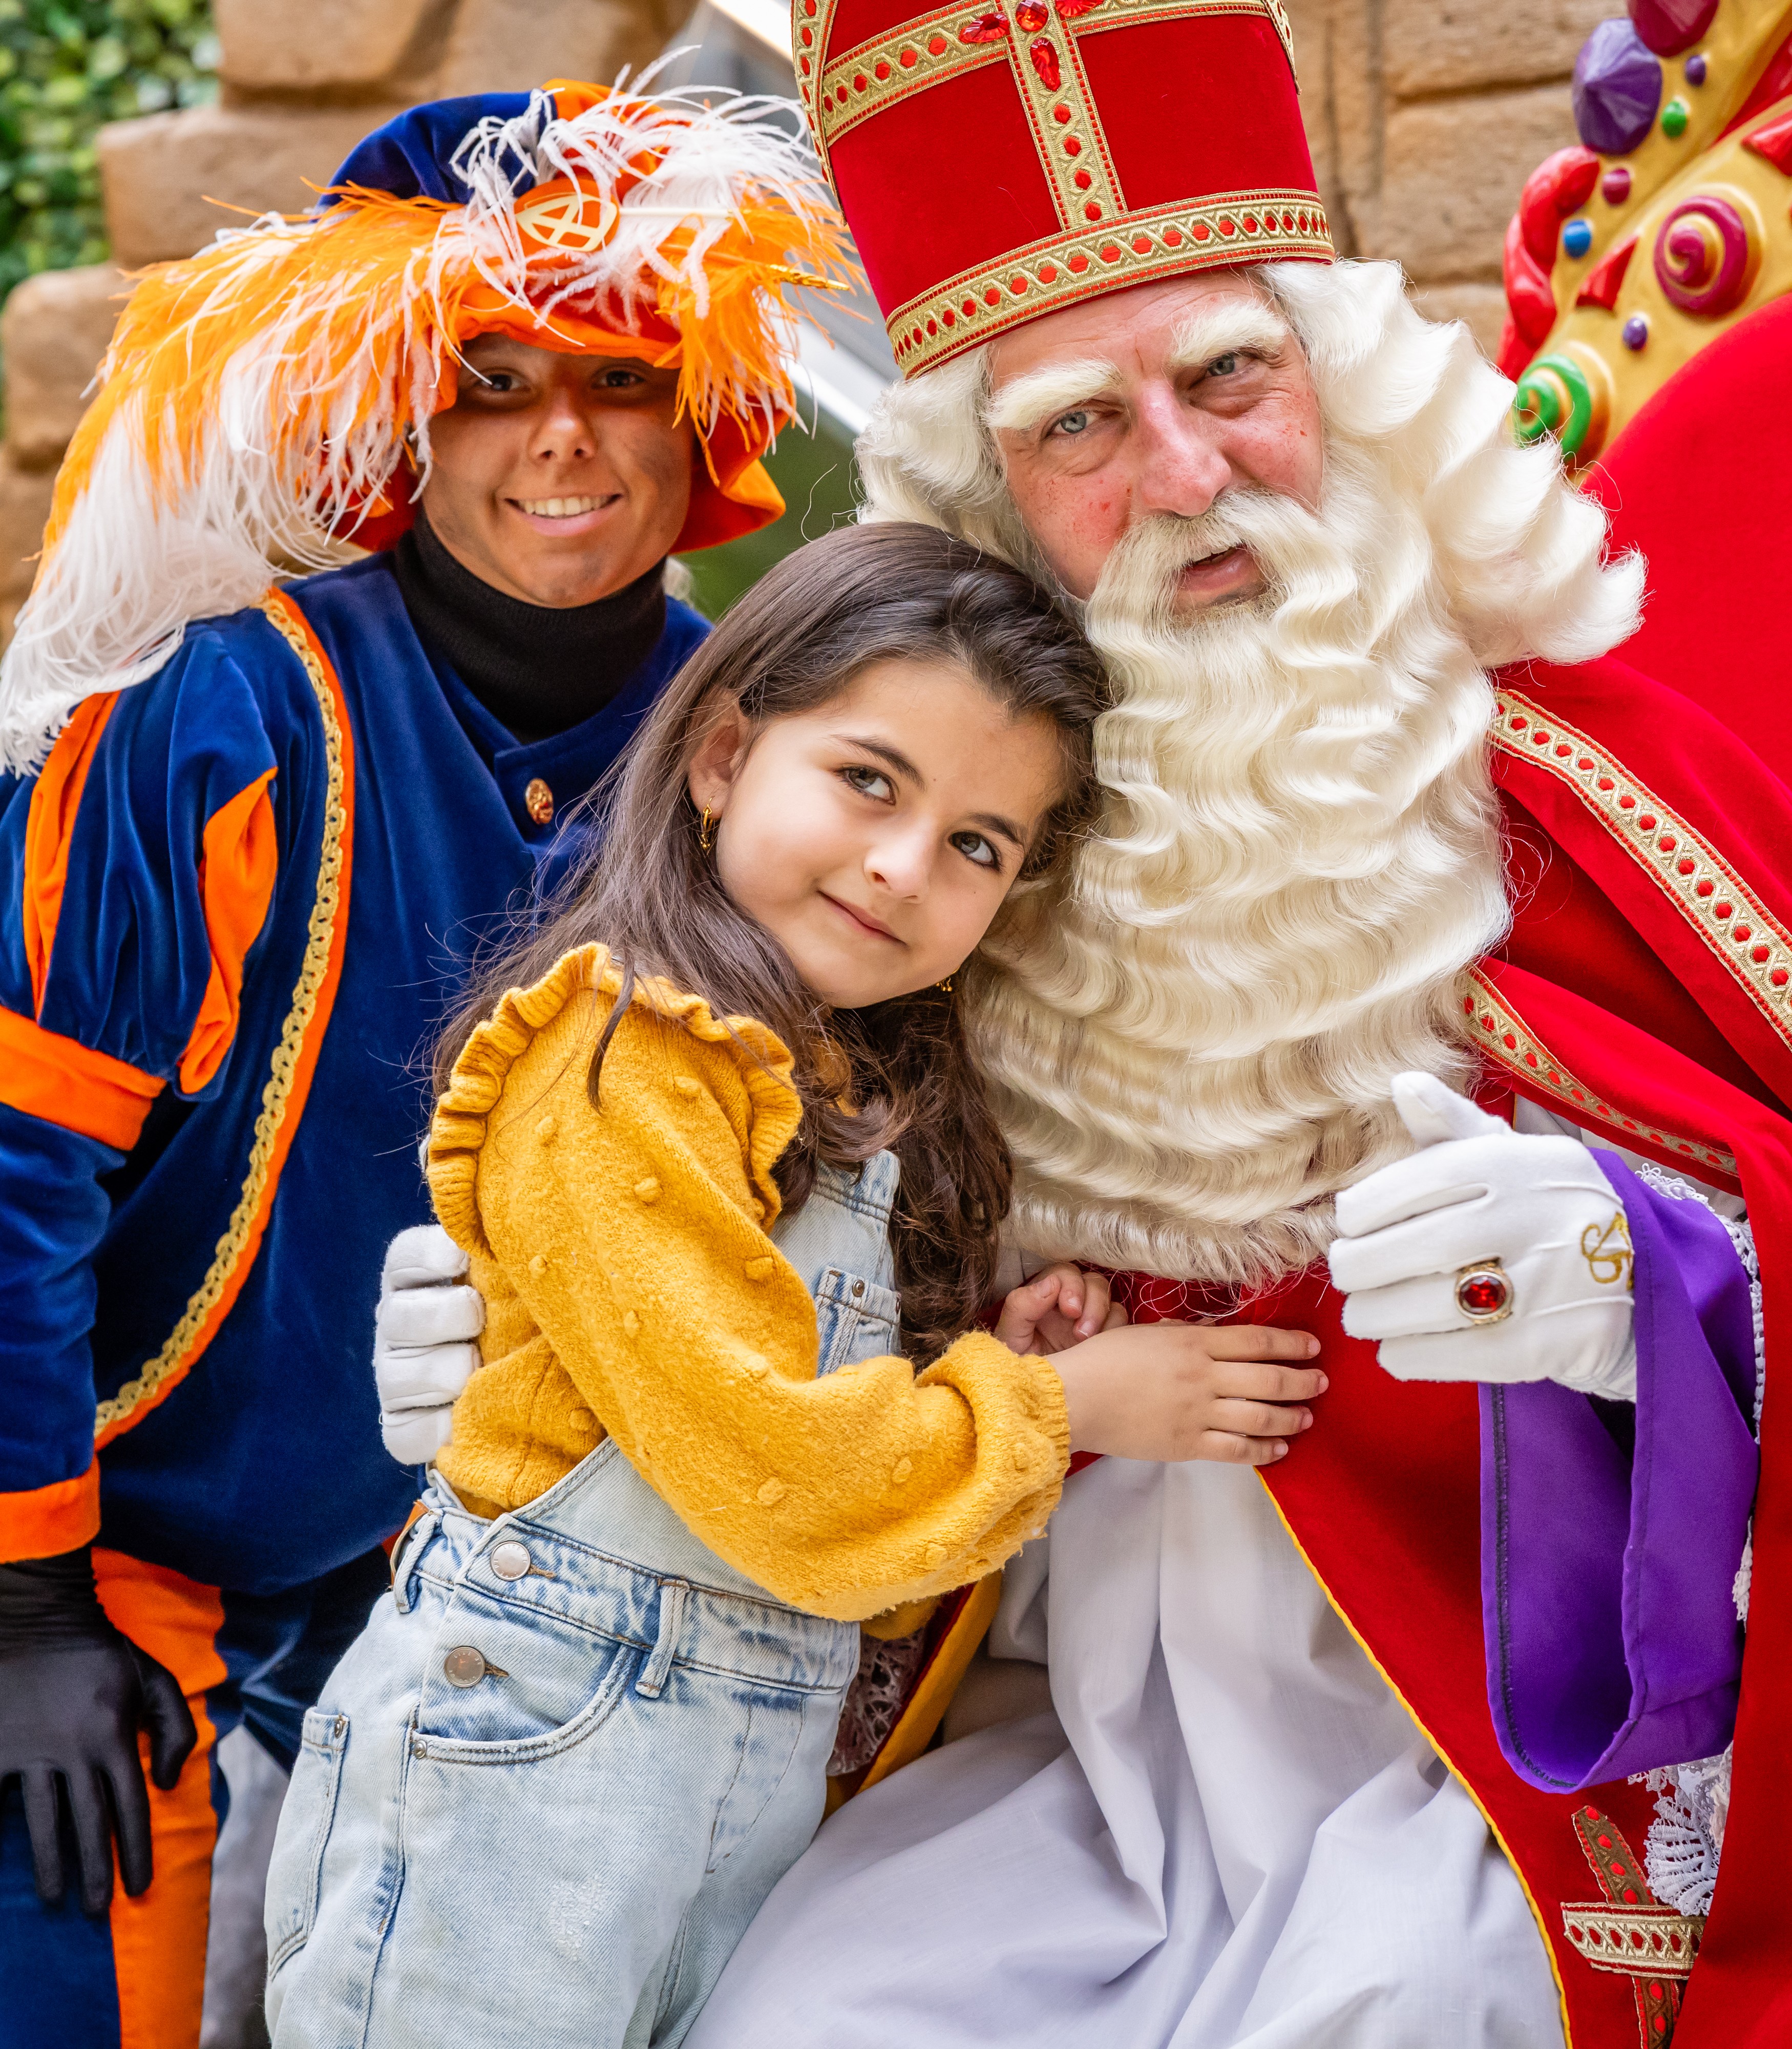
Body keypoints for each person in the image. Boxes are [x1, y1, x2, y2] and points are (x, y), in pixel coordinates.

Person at [667, 4, 1782, 2044]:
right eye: (1075, 428)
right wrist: (571, 1338)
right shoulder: (936, 878)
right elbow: (786, 1296)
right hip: (1085, 1737)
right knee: (793, 2017)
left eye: (1226, 377)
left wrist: (1656, 1283)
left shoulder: (1597, 795)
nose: (1181, 479)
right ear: (982, 504)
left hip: (1502, 1743)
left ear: (1339, 388)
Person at [0, 77, 850, 2049]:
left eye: (622, 376)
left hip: (486, 1557)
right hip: (117, 1525)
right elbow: (18, 1169)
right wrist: (27, 1600)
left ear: (702, 412)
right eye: (488, 376)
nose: (561, 436)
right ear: (407, 414)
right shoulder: (218, 710)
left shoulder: (740, 735)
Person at [266, 521, 1330, 2049]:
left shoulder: (831, 1106)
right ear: (720, 759)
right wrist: (1054, 1408)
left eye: (979, 844)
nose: (904, 866)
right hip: (514, 1775)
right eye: (868, 780)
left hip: (704, 1788)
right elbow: (783, 1484)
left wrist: (969, 1358)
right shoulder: (622, 1062)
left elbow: (854, 1551)